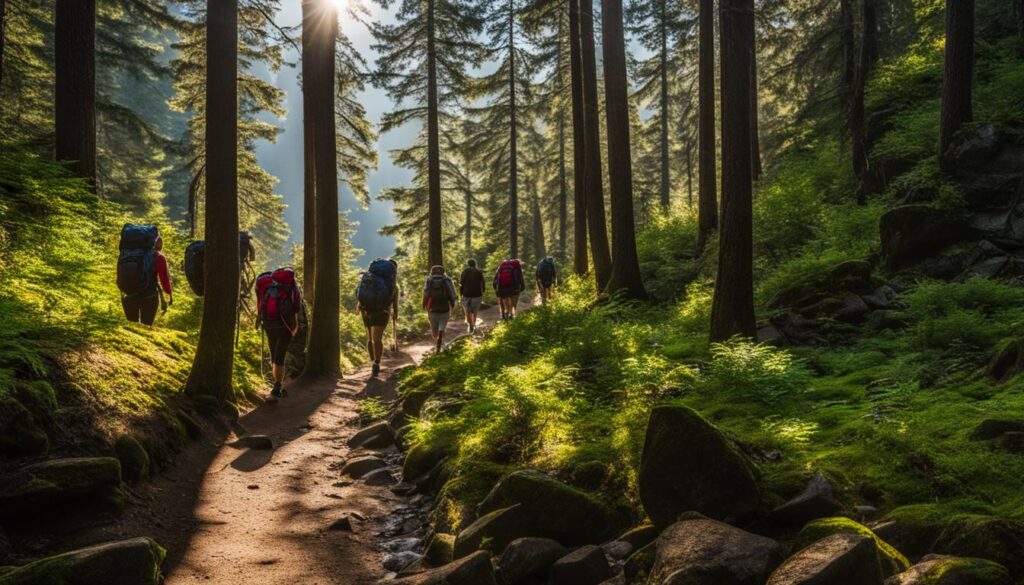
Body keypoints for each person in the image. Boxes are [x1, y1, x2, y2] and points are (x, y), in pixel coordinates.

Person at [256, 268, 302, 400]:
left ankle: (277, 385)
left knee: (273, 353)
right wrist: (296, 324)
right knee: (279, 355)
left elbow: (259, 304)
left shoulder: (265, 285)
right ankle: (277, 387)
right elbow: (296, 305)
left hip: (269, 323)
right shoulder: (290, 285)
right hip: (285, 323)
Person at [356, 258, 399, 377]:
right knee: (377, 339)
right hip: (382, 311)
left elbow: (359, 292)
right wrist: (395, 313)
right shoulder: (393, 286)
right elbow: (394, 302)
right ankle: (376, 363)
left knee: (370, 338)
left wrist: (359, 306)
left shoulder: (369, 280)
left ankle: (372, 362)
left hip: (366, 309)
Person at [122, 235, 173, 326]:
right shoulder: (159, 257)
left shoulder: (128, 254)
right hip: (149, 296)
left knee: (131, 327)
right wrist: (169, 292)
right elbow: (164, 280)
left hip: (129, 294)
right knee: (146, 326)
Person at [423, 265, 457, 353]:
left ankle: (438, 343)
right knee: (442, 327)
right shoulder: (447, 280)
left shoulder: (429, 280)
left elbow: (426, 293)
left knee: (434, 331)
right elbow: (452, 293)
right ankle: (441, 341)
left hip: (432, 308)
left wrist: (424, 304)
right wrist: (453, 304)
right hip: (445, 308)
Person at [459, 258, 485, 333]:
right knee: (474, 311)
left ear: (468, 264)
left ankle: (470, 323)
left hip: (466, 294)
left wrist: (460, 292)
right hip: (477, 294)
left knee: (467, 309)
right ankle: (473, 324)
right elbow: (483, 282)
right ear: (475, 264)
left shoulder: (465, 271)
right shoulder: (479, 271)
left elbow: (461, 282)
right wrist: (483, 290)